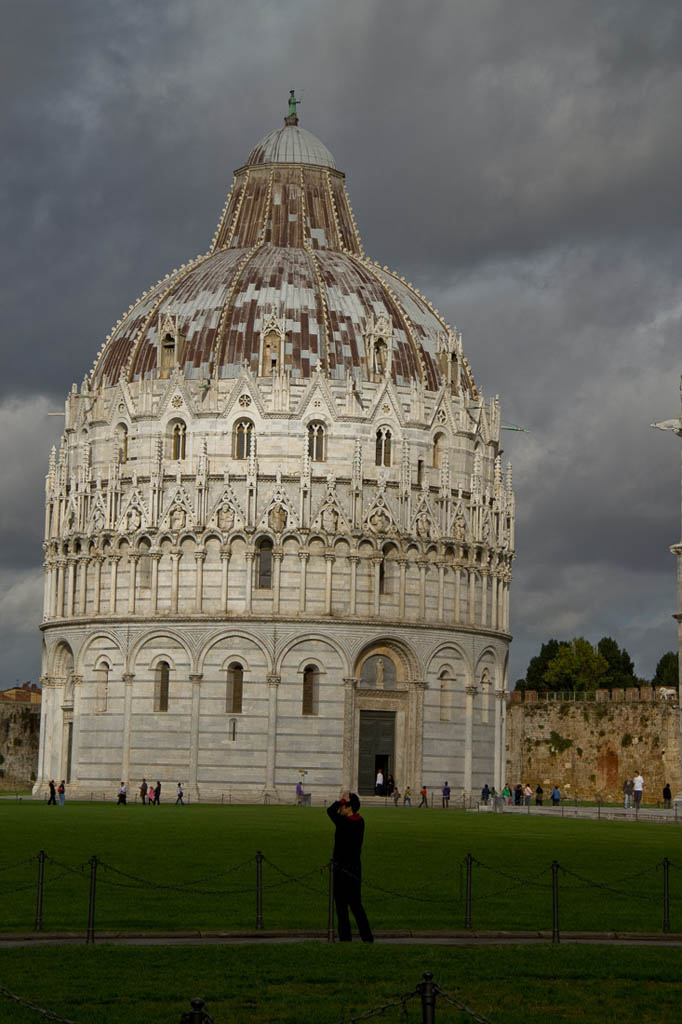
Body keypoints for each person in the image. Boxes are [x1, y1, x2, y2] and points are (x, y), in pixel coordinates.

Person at [326, 792, 373, 942]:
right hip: (355, 869)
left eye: (343, 805)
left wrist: (339, 800)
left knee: (341, 906)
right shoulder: (360, 822)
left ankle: (345, 938)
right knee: (356, 905)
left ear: (349, 807)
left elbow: (329, 810)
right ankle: (367, 937)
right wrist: (345, 800)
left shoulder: (343, 822)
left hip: (340, 869)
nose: (340, 807)